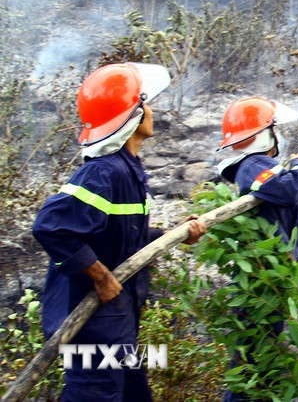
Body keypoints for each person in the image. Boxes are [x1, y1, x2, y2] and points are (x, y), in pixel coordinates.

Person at [32, 62, 206, 402]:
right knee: (96, 395)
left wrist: (177, 232)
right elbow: (51, 227)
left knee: (133, 394)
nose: (152, 110)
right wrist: (99, 275)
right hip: (93, 327)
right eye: (146, 104)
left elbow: (125, 241)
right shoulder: (103, 172)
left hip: (117, 323)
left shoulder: (127, 172)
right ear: (135, 113)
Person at [214, 96, 298, 402]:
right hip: (256, 289)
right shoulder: (252, 165)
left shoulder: (269, 170)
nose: (279, 134)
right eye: (275, 128)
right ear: (264, 134)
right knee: (250, 372)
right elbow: (290, 188)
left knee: (264, 369)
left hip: (272, 287)